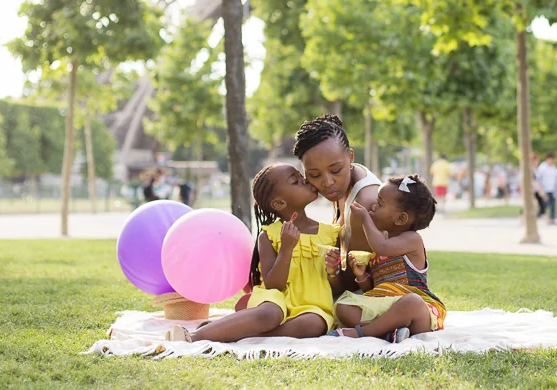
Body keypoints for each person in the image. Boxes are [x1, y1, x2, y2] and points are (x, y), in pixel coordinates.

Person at [165, 164, 341, 343]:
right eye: (295, 181)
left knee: (313, 325)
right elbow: (274, 285)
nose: (305, 180)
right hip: (275, 300)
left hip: (312, 306)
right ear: (279, 203)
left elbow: (337, 284)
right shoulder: (270, 235)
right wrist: (286, 249)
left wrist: (333, 271)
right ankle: (194, 337)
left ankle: (233, 330)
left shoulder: (330, 234)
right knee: (270, 314)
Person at [330, 174, 444, 341]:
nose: (373, 207)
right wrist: (362, 276)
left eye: (380, 204)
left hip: (415, 313)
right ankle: (389, 333)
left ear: (400, 219)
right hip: (382, 304)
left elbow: (382, 246)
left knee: (412, 302)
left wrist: (364, 219)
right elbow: (374, 288)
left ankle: (363, 332)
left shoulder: (411, 240)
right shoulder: (379, 244)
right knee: (342, 306)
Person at [292, 114, 381, 283]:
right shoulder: (344, 183)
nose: (327, 182)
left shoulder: (364, 203)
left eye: (336, 170)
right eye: (314, 174)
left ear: (350, 157)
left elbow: (349, 282)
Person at [534, 153, 557, 224]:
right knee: (545, 204)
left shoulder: (553, 167)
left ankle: (552, 218)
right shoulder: (542, 167)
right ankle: (538, 214)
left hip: (552, 189)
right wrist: (541, 189)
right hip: (545, 189)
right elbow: (538, 178)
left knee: (553, 204)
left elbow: (556, 177)